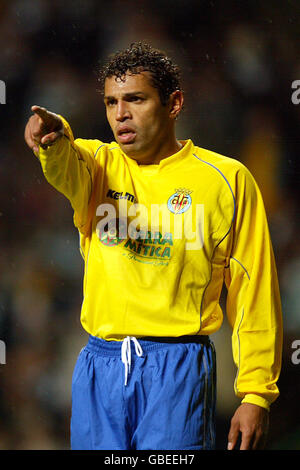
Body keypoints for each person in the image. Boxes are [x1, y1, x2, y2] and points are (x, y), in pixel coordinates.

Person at [24, 42, 283, 451]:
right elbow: (63, 160)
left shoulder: (227, 181)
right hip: (99, 365)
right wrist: (52, 139)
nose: (120, 114)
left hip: (178, 368)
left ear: (174, 103)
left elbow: (254, 291)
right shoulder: (97, 165)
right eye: (111, 102)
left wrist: (256, 393)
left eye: (135, 99)